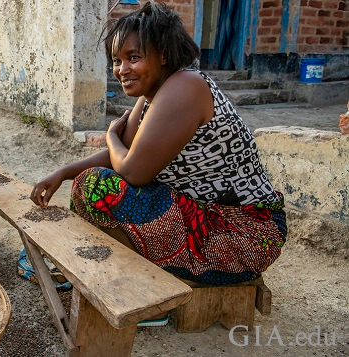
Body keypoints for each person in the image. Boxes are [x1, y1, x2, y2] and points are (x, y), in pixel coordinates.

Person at [30, 1, 287, 326]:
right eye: (116, 60)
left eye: (133, 58)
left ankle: (148, 297)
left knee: (99, 187)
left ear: (163, 55)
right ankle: (140, 280)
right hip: (208, 217)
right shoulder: (152, 96)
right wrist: (63, 173)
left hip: (244, 234)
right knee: (88, 184)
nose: (122, 69)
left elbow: (133, 170)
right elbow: (126, 155)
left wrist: (111, 134)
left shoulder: (186, 86)